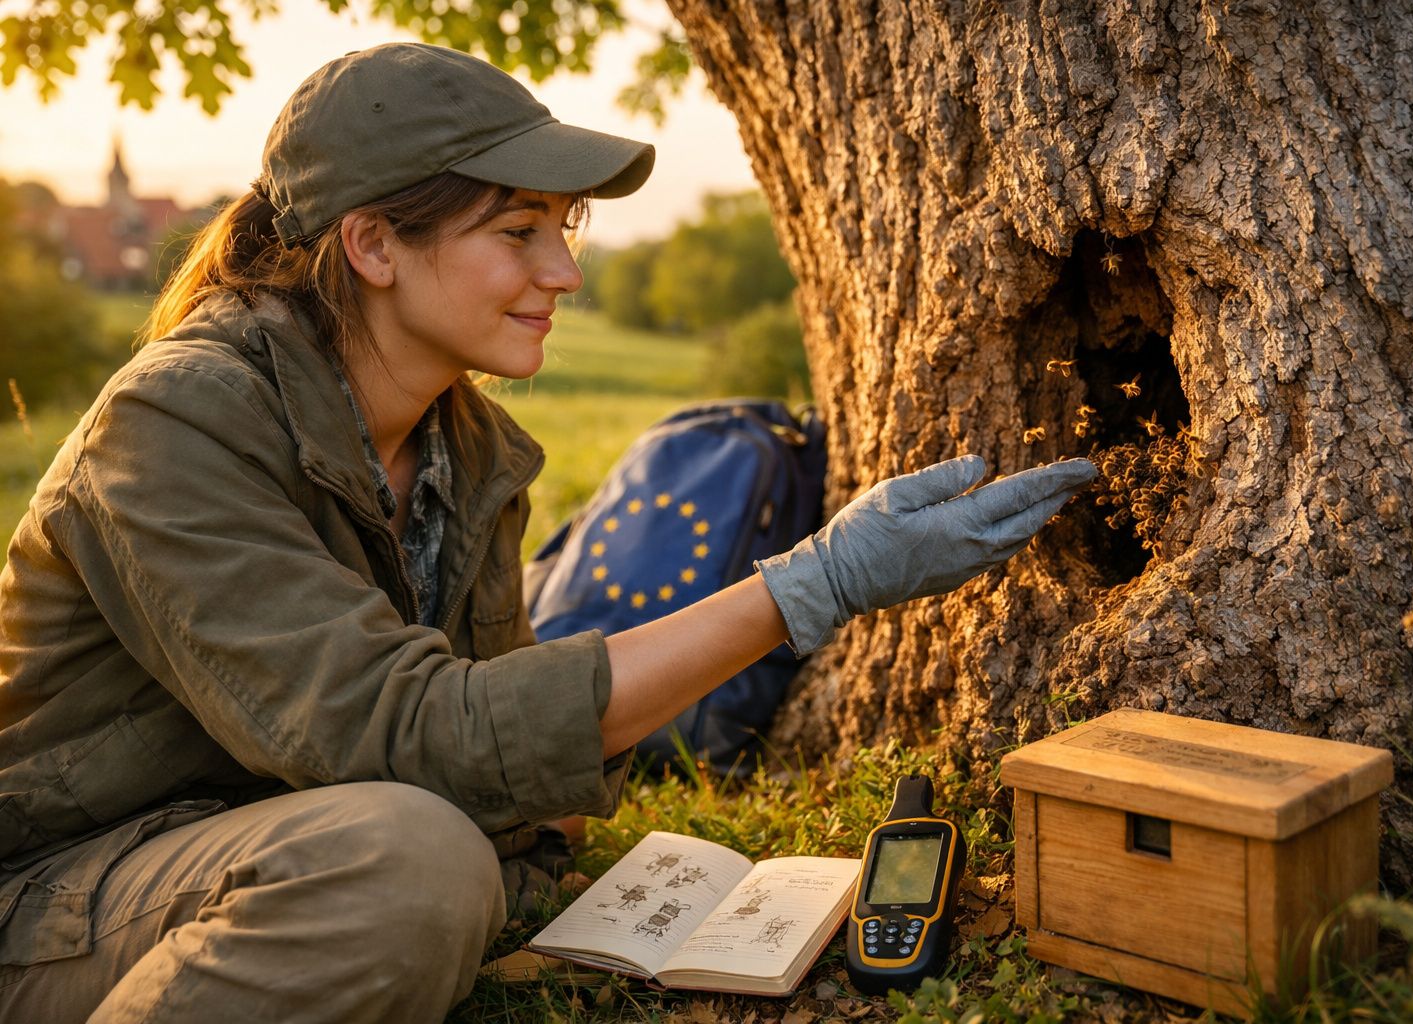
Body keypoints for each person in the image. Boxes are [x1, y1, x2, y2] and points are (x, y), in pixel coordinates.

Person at [0, 42, 1096, 1023]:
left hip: (248, 849)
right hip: (50, 893)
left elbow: (498, 760)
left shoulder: (465, 451)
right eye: (519, 232)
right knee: (411, 867)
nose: (564, 273)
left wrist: (528, 828)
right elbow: (408, 730)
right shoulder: (177, 420)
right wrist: (812, 584)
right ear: (373, 243)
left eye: (563, 232)